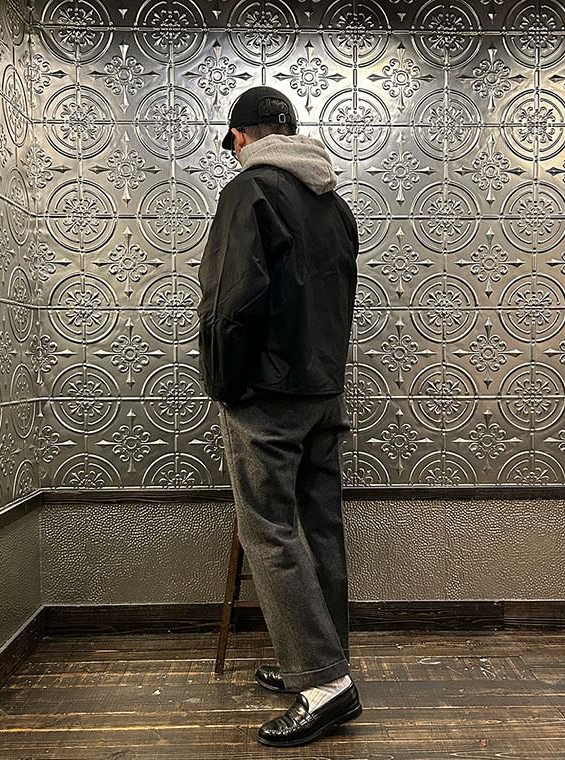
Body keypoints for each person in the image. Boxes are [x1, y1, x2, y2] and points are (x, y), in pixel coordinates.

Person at [196, 85, 361, 747]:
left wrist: (223, 385)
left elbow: (230, 302)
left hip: (266, 397)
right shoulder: (334, 205)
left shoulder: (249, 192)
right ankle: (322, 661)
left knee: (268, 533)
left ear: (240, 137)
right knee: (320, 528)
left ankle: (324, 686)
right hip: (323, 391)